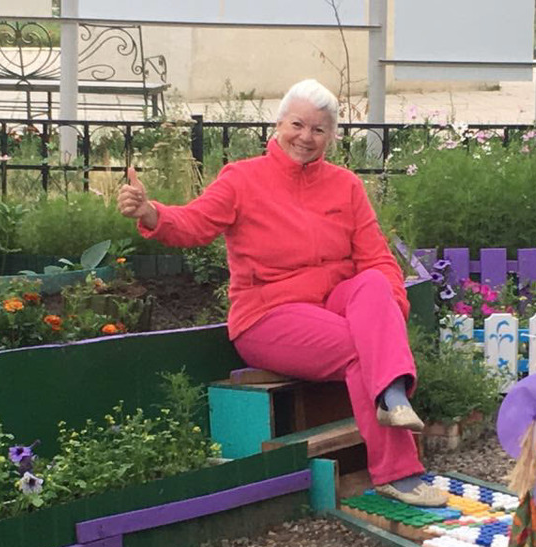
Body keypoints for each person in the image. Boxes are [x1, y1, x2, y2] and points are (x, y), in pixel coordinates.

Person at [117, 79, 446, 507]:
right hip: (268, 315)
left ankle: (391, 393)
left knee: (375, 283)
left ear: (332, 137)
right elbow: (194, 223)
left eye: (318, 129)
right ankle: (398, 466)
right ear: (279, 124)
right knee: (360, 349)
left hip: (333, 306)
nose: (306, 137)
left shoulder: (346, 186)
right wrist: (150, 212)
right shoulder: (242, 179)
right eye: (297, 125)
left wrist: (390, 314)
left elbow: (377, 260)